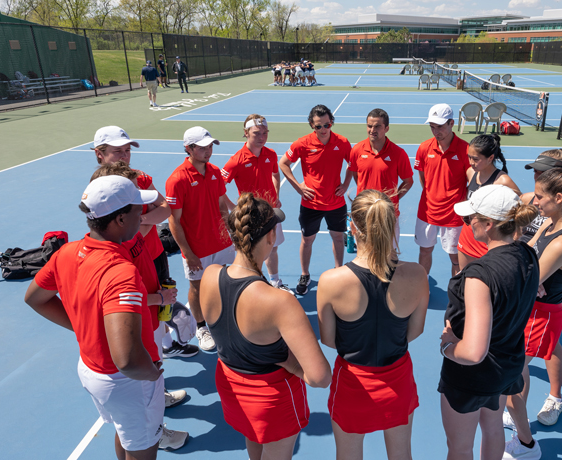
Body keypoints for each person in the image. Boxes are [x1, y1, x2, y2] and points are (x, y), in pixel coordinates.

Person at [24, 175, 178, 459]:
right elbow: (128, 360)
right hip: (126, 380)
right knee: (143, 451)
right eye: (137, 210)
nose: (143, 216)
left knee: (125, 434)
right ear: (119, 220)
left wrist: (82, 328)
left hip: (91, 369)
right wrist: (153, 374)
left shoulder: (66, 253)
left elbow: (34, 298)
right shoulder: (121, 271)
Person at [200, 193, 331, 460]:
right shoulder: (279, 302)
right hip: (271, 399)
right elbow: (320, 377)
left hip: (230, 386)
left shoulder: (210, 275)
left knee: (254, 443)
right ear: (271, 237)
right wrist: (289, 362)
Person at [317, 190, 429, 460]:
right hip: (398, 380)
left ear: (352, 227)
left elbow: (329, 340)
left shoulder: (331, 281)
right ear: (392, 224)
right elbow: (415, 331)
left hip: (353, 384)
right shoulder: (416, 274)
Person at [89, 163, 190, 451]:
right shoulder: (117, 254)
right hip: (138, 328)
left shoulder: (130, 233)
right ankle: (159, 432)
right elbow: (119, 296)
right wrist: (160, 300)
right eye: (137, 206)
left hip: (148, 319)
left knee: (128, 422)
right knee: (137, 423)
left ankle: (157, 423)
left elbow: (162, 210)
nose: (144, 213)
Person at [438, 184, 540, 460]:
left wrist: (448, 346)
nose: (468, 222)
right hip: (506, 368)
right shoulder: (529, 255)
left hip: (469, 377)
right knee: (493, 429)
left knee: (459, 448)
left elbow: (472, 353)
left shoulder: (478, 275)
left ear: (489, 224)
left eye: (472, 217)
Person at [90, 126, 198, 359]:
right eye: (117, 151)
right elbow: (122, 232)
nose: (124, 156)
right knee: (141, 314)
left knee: (161, 305)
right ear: (100, 154)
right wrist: (146, 222)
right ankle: (153, 368)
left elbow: (164, 208)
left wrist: (141, 221)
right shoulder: (100, 192)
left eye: (127, 150)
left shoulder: (139, 177)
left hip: (154, 253)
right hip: (130, 261)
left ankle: (167, 345)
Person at [504, 166, 562, 460]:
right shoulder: (549, 223)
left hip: (541, 316)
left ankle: (524, 444)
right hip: (529, 306)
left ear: (560, 197)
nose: (535, 202)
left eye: (540, 197)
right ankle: (518, 422)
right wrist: (530, 275)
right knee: (515, 370)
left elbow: (528, 273)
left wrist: (531, 278)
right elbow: (525, 254)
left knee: (510, 372)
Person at [166, 126, 234, 352]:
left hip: (222, 243)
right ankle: (202, 327)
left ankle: (221, 318)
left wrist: (230, 233)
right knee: (196, 288)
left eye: (210, 146)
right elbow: (174, 221)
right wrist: (189, 252)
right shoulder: (177, 180)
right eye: (203, 147)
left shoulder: (214, 171)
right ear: (189, 148)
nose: (208, 150)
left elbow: (222, 204)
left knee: (222, 282)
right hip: (197, 248)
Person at [279, 104, 352, 295]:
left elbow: (352, 163)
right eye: (318, 126)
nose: (323, 130)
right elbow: (283, 163)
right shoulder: (302, 144)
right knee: (307, 240)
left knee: (337, 237)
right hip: (311, 204)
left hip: (336, 202)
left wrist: (345, 184)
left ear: (332, 123)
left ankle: (338, 271)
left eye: (326, 125)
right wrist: (298, 186)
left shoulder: (342, 142)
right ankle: (305, 274)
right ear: (311, 125)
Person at [221, 115, 292, 293]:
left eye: (265, 133)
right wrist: (233, 208)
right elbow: (218, 187)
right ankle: (253, 285)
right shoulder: (236, 160)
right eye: (256, 133)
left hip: (270, 212)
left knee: (272, 248)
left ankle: (275, 282)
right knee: (250, 253)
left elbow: (276, 174)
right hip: (250, 215)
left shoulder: (271, 154)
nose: (262, 137)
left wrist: (276, 195)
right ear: (246, 133)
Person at [344, 108, 414, 248]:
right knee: (364, 257)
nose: (372, 130)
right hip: (363, 212)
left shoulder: (398, 153)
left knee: (389, 256)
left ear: (386, 128)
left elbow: (408, 181)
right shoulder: (357, 150)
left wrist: (392, 198)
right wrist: (365, 193)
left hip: (387, 214)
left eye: (377, 126)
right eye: (369, 126)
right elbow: (355, 173)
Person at [415, 103, 470, 277]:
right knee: (425, 251)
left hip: (454, 215)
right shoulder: (424, 148)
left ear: (451, 123)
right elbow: (423, 178)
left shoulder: (466, 150)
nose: (435, 131)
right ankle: (422, 289)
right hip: (427, 212)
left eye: (439, 126)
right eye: (432, 127)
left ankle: (457, 294)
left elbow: (472, 181)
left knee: (455, 257)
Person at [457, 134, 521, 270]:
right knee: (462, 279)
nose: (470, 162)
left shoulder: (503, 181)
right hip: (467, 237)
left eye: (475, 159)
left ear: (490, 158)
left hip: (488, 242)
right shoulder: (471, 173)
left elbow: (519, 211)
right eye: (469, 157)